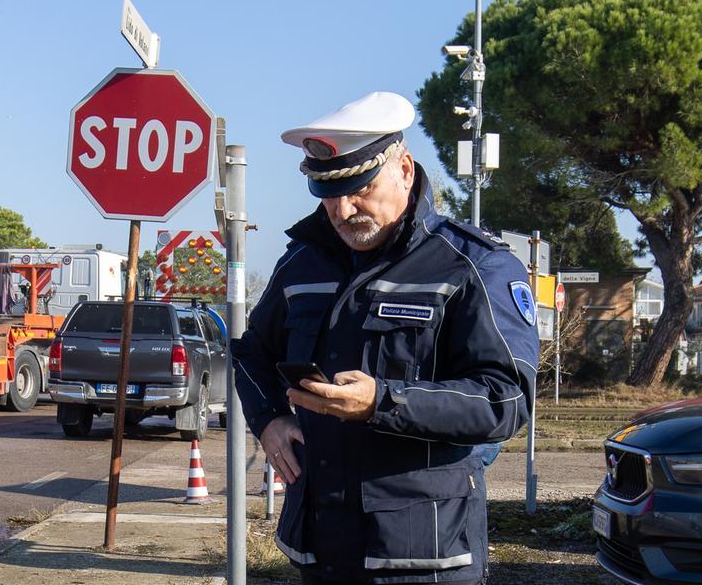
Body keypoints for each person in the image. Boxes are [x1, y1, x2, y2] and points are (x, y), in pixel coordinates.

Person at [231, 91, 539, 584]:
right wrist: (268, 419)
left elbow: (505, 401)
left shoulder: (474, 266)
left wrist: (383, 402)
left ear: (404, 167)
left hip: (422, 556)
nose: (343, 207)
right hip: (323, 545)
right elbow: (250, 354)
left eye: (360, 187)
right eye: (328, 192)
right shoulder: (302, 263)